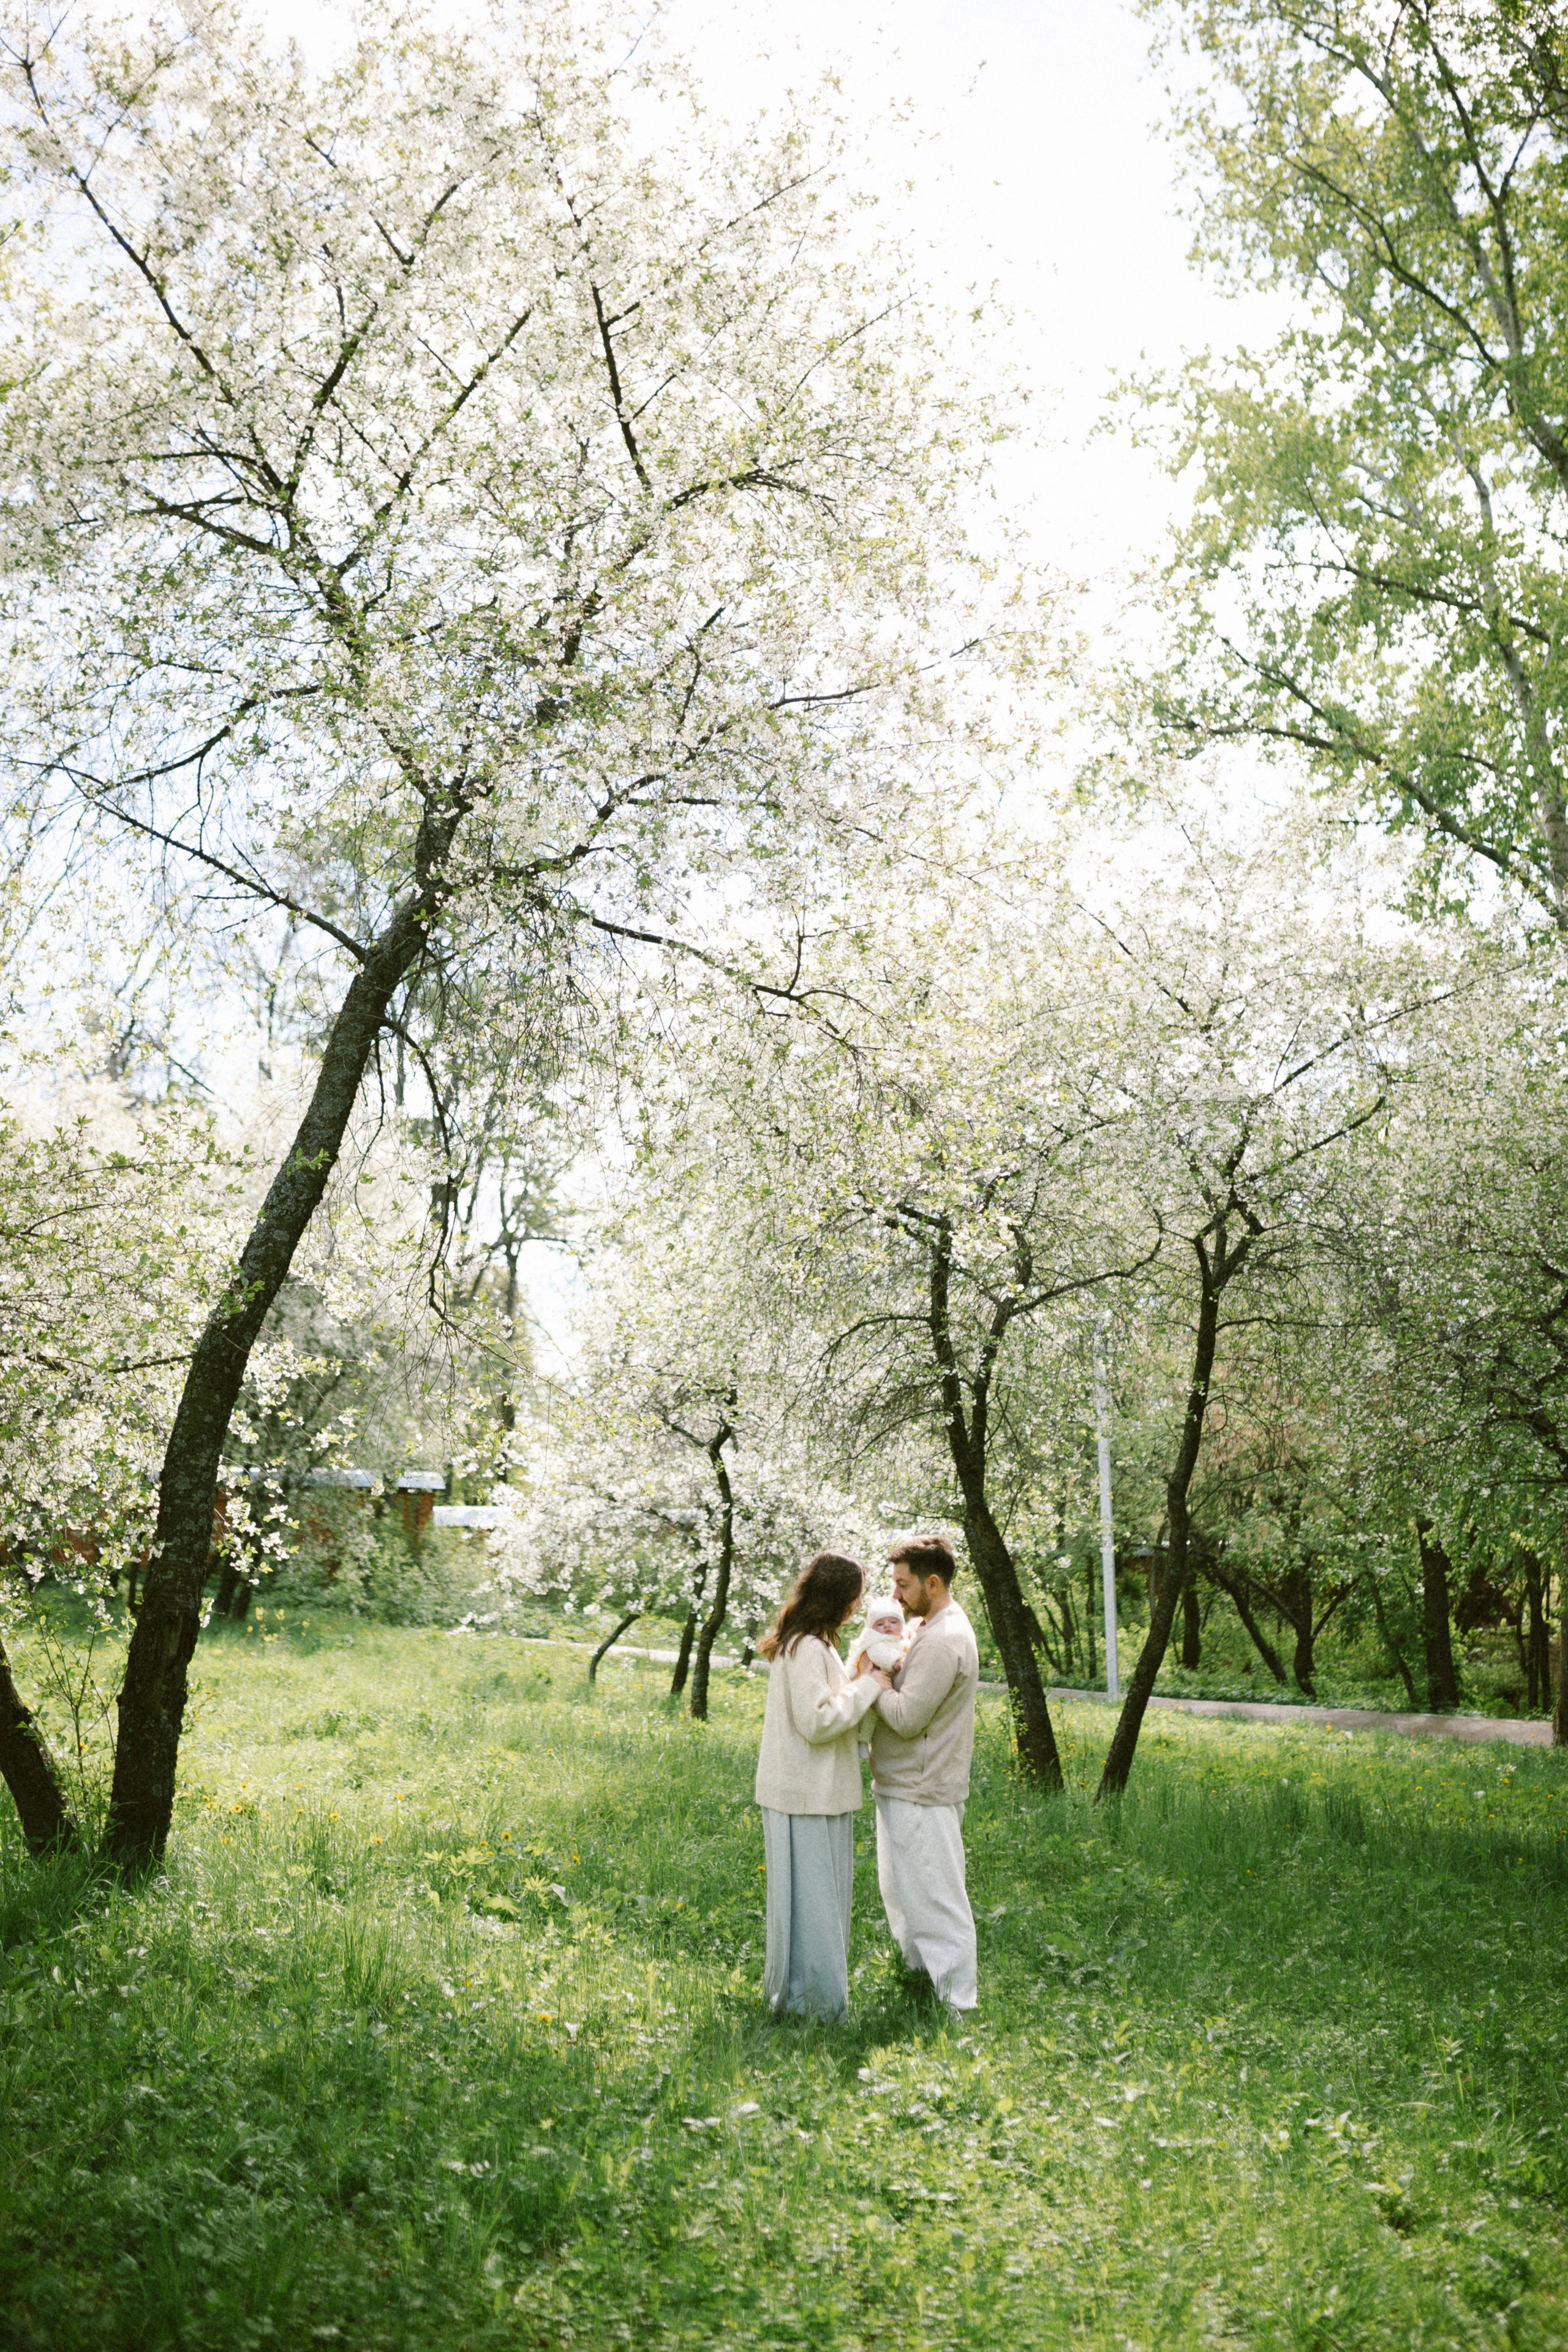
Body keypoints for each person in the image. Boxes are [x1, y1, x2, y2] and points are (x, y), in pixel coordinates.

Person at [755, 1550, 891, 2021]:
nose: (858, 1606)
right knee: (813, 1905)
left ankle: (805, 1999)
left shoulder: (812, 1644)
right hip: (805, 1794)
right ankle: (814, 2005)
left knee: (814, 1903)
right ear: (838, 1598)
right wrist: (871, 1684)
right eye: (855, 1597)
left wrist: (861, 1677)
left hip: (810, 1790)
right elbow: (817, 1721)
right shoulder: (808, 1647)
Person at [864, 1531, 981, 2011]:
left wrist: (875, 1683)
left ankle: (958, 2002)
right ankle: (919, 1978)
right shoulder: (932, 1628)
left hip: (923, 1787)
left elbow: (909, 1718)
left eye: (904, 1585)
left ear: (933, 1583)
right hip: (901, 1784)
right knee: (902, 1893)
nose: (895, 1595)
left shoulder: (943, 1639)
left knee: (936, 1898)